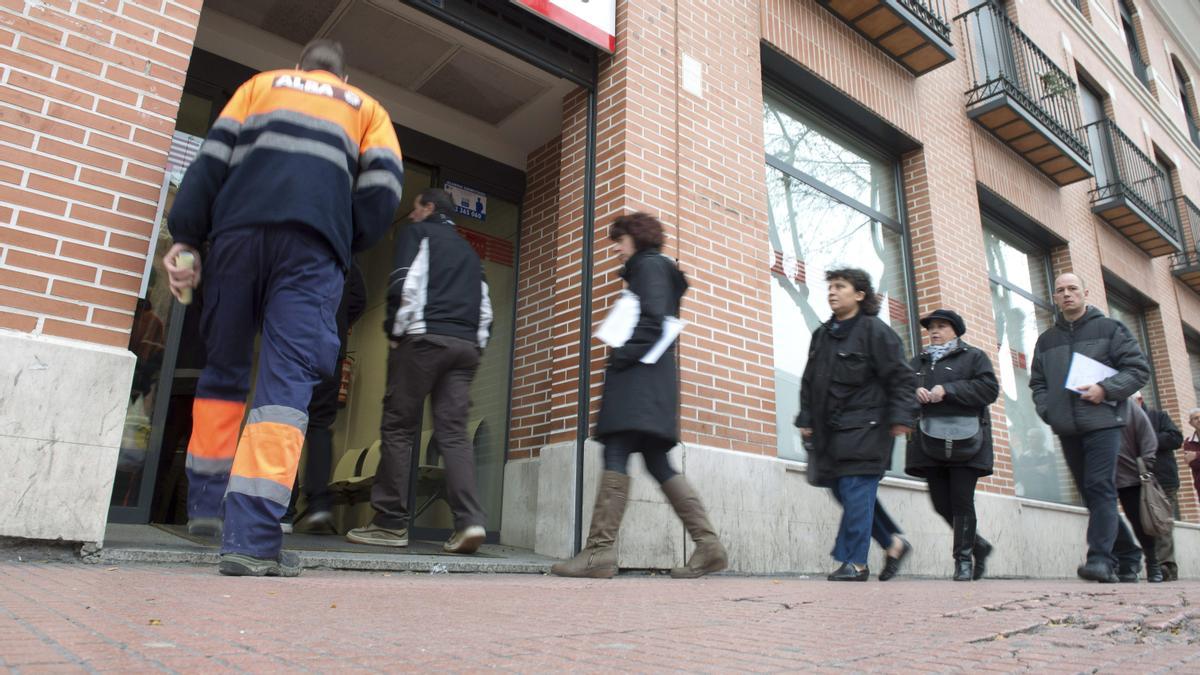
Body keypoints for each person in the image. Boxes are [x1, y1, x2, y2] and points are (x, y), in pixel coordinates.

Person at [162, 39, 404, 577]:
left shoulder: (258, 87)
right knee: (284, 389)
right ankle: (249, 541)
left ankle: (204, 508)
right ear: (341, 76)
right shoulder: (369, 110)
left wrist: (186, 238)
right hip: (312, 250)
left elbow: (209, 164)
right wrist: (345, 235)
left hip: (235, 237)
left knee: (222, 372)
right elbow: (383, 193)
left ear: (301, 68)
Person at [552, 212, 727, 579]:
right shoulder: (655, 270)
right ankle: (709, 546)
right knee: (657, 462)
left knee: (617, 451)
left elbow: (652, 323)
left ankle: (599, 552)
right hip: (650, 385)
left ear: (637, 237)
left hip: (637, 382)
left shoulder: (649, 268)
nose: (616, 248)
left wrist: (620, 356)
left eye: (620, 239)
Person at [346, 189, 493, 554]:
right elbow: (486, 309)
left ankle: (390, 523)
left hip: (424, 340)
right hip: (465, 348)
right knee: (454, 435)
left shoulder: (418, 234)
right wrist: (475, 344)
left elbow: (403, 285)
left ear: (428, 208)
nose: (411, 215)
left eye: (415, 208)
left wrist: (396, 333)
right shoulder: (470, 253)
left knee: (398, 427)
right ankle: (469, 522)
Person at [796, 268, 919, 582]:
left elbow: (902, 378)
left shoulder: (876, 331)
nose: (832, 292)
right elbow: (809, 382)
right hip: (830, 431)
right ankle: (893, 543)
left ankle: (855, 562)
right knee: (845, 492)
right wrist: (807, 419)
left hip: (869, 426)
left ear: (860, 295)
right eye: (831, 287)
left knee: (854, 489)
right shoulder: (822, 334)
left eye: (841, 286)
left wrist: (902, 418)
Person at [1028, 273, 1149, 583]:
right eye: (1060, 290)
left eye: (1072, 289)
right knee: (1091, 493)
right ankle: (1129, 554)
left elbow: (1137, 370)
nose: (1067, 294)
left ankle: (1100, 559)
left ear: (1085, 292)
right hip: (1066, 427)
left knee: (1099, 486)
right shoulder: (1046, 340)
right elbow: (1038, 383)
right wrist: (1048, 411)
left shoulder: (1111, 329)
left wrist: (1104, 390)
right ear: (1054, 297)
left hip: (1104, 422)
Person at [906, 309, 999, 581]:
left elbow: (988, 390)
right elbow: (899, 394)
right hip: (929, 440)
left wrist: (949, 390)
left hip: (966, 440)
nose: (934, 331)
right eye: (931, 327)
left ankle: (963, 561)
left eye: (941, 326)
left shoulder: (974, 357)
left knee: (961, 501)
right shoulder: (918, 362)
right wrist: (914, 393)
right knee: (939, 502)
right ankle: (979, 545)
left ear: (955, 330)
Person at [283, 261, 367, 534]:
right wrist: (339, 324)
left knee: (287, 424)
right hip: (332, 349)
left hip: (295, 345)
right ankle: (319, 505)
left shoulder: (302, 245)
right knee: (319, 427)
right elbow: (358, 299)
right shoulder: (348, 258)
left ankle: (283, 509)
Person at [1137, 392, 1184, 581]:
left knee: (1162, 522)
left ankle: (1166, 566)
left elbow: (1175, 439)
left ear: (1139, 400)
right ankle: (1155, 565)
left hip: (1162, 479)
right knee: (1145, 523)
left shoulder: (1159, 417)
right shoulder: (1122, 420)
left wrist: (1147, 439)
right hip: (1137, 480)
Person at [1116, 398, 1159, 582]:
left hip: (1130, 476)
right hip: (1102, 477)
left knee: (1140, 522)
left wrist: (1145, 464)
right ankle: (1126, 563)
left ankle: (1153, 562)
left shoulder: (1129, 407)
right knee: (1107, 520)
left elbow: (1147, 437)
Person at [1185, 409, 1200, 509]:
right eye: (1196, 418)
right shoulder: (1188, 443)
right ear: (1191, 423)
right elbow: (1194, 464)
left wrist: (1196, 455)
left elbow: (1195, 460)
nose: (1199, 420)